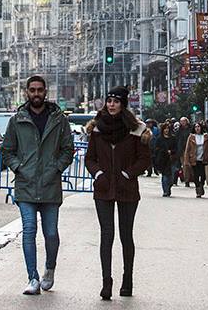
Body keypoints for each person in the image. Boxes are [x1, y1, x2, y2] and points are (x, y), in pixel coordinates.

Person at [0, 75, 76, 295]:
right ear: (26, 92)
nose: (36, 94)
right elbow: (7, 150)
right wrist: (19, 167)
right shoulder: (18, 119)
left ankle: (49, 269)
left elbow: (67, 149)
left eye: (39, 90)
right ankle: (32, 277)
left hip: (50, 184)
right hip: (26, 184)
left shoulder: (59, 119)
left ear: (45, 92)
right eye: (32, 90)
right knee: (29, 230)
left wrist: (56, 168)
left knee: (51, 233)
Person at [85, 86, 152, 300]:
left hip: (127, 189)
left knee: (125, 235)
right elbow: (90, 158)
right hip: (103, 188)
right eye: (109, 101)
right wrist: (98, 175)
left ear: (123, 104)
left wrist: (127, 174)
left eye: (115, 101)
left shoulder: (136, 129)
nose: (111, 104)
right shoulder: (97, 129)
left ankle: (128, 279)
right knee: (106, 235)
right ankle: (106, 282)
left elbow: (144, 159)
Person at [181, 121, 208, 198]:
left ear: (201, 128)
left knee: (203, 175)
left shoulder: (205, 136)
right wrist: (186, 160)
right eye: (195, 127)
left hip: (203, 159)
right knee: (195, 175)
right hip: (194, 159)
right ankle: (198, 189)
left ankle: (201, 185)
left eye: (198, 127)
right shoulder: (191, 137)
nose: (197, 128)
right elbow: (187, 149)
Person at [152, 122, 176, 196]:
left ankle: (169, 187)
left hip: (172, 159)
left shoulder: (173, 138)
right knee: (165, 175)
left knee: (171, 177)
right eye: (165, 129)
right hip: (163, 159)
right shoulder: (159, 139)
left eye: (167, 129)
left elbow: (176, 148)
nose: (166, 130)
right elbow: (156, 149)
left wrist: (171, 151)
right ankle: (165, 190)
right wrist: (163, 151)